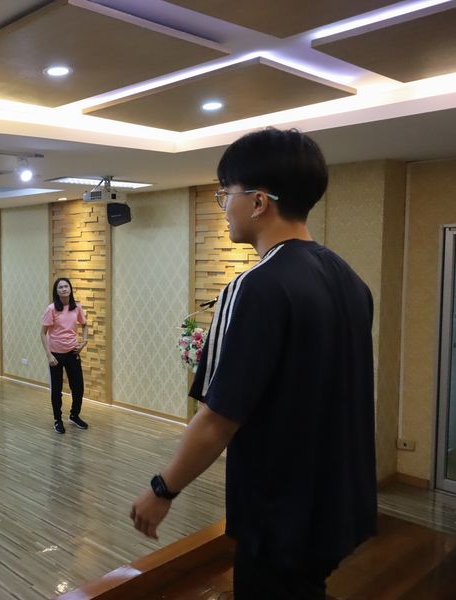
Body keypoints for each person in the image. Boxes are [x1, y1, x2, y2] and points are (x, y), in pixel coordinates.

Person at [129, 128, 377, 599]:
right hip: (340, 503)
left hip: (279, 512)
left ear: (259, 202)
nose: (224, 206)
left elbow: (218, 418)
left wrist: (162, 490)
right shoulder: (351, 280)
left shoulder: (255, 287)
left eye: (227, 193)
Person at [40, 277, 89, 434]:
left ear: (70, 289)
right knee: (57, 390)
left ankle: (74, 415)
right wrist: (49, 355)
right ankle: (58, 420)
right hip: (56, 355)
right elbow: (43, 333)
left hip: (72, 352)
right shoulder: (51, 309)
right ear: (56, 291)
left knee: (78, 387)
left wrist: (84, 342)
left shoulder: (77, 307)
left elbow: (84, 325)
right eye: (60, 287)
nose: (64, 289)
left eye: (66, 286)